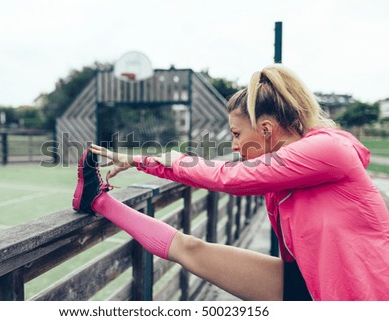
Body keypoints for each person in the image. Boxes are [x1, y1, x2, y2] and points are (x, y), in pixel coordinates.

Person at [72, 64, 389, 301]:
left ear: (266, 129)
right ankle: (97, 201)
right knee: (191, 249)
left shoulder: (328, 150)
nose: (234, 147)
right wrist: (138, 160)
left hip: (367, 297)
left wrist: (171, 157)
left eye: (237, 135)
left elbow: (231, 177)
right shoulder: (288, 173)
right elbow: (225, 171)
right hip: (312, 283)